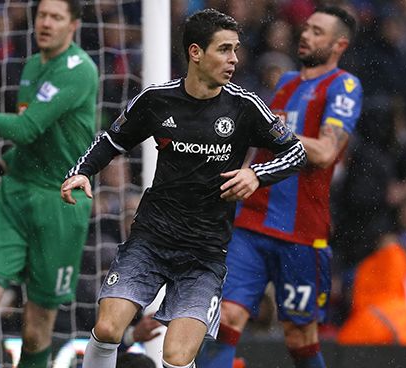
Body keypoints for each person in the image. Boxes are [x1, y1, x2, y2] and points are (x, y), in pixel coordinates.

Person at [60, 8, 307, 368]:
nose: (234, 59)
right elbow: (112, 139)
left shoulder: (244, 106)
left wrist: (256, 174)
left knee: (176, 357)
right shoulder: (156, 100)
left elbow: (296, 151)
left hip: (205, 255)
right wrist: (83, 171)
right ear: (195, 53)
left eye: (236, 49)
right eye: (224, 49)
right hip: (151, 239)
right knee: (109, 327)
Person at [196, 6, 361, 368]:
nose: (306, 35)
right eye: (306, 28)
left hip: (302, 231)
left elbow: (325, 150)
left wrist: (275, 132)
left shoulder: (344, 86)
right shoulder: (285, 83)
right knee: (223, 319)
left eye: (318, 32)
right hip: (251, 223)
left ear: (339, 44)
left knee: (300, 336)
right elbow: (261, 147)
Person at [0, 0, 98, 367]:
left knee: (36, 328)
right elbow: (33, 144)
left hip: (60, 203)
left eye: (56, 17)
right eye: (42, 15)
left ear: (72, 25)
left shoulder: (78, 70)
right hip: (15, 196)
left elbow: (25, 129)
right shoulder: (30, 65)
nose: (46, 23)